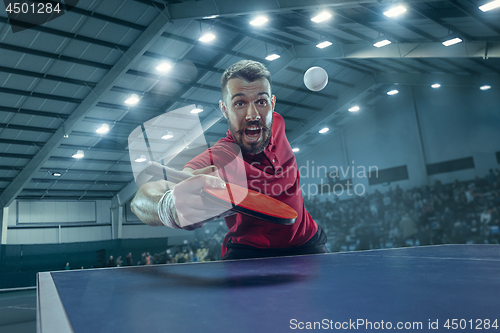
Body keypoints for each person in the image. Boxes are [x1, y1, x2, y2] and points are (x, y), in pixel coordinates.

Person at [131, 60, 328, 260]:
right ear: (224, 109)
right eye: (240, 103)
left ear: (272, 103)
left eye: (261, 102)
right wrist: (167, 207)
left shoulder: (276, 122)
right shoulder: (221, 156)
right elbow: (141, 200)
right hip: (249, 254)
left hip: (308, 242)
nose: (253, 115)